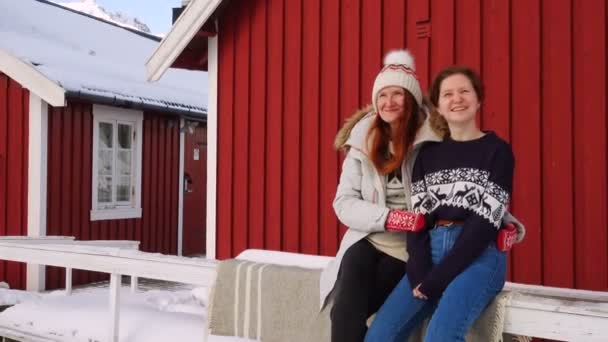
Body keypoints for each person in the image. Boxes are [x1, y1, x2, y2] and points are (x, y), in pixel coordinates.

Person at [364, 66, 515, 342]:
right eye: (448, 94)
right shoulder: (427, 156)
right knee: (379, 336)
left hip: (480, 254)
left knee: (440, 336)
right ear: (439, 106)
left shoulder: (498, 151)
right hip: (430, 250)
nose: (456, 99)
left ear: (478, 99)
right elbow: (419, 220)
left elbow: (483, 224)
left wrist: (439, 278)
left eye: (464, 91)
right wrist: (421, 271)